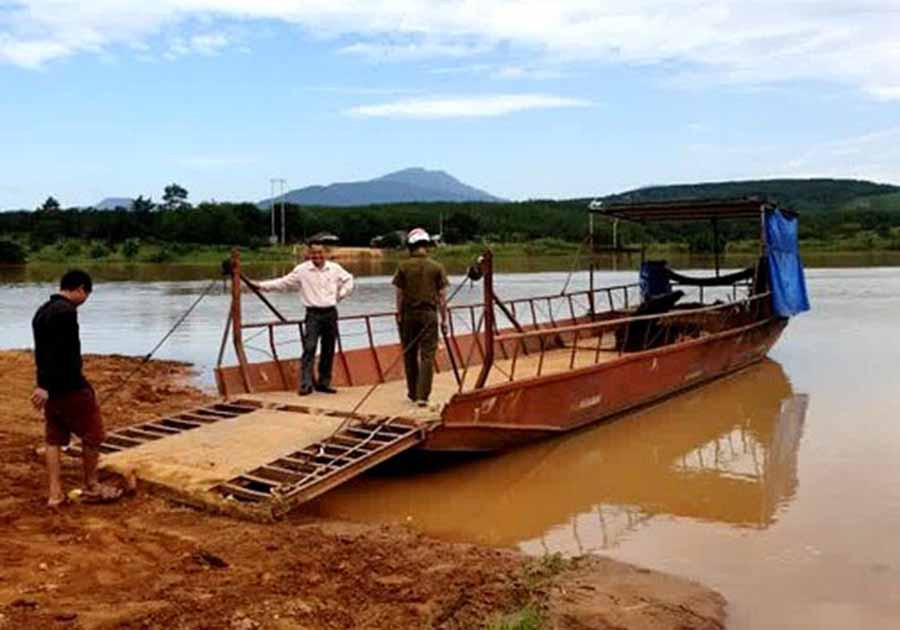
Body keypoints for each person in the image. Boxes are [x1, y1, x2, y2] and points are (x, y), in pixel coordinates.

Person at [31, 269, 122, 507]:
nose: (85, 300)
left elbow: (41, 353)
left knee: (53, 439)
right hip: (70, 386)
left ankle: (55, 493)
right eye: (86, 294)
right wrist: (55, 384)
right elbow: (62, 353)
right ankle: (91, 485)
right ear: (80, 288)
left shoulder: (41, 311)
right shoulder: (66, 312)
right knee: (94, 434)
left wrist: (42, 385)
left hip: (50, 389)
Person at [254, 242, 354, 395]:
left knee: (328, 348)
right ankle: (306, 384)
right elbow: (283, 283)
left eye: (320, 253)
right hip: (313, 314)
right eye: (314, 253)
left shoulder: (334, 268)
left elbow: (349, 279)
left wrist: (341, 294)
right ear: (309, 254)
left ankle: (324, 383)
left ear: (325, 254)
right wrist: (261, 285)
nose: (317, 256)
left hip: (330, 313)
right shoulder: (302, 270)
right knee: (309, 347)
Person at [393, 228, 449, 407]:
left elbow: (399, 294)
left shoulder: (403, 267)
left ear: (411, 246)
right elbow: (442, 297)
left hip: (408, 315)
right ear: (427, 245)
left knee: (409, 353)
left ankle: (412, 392)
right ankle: (423, 396)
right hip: (429, 315)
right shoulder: (437, 267)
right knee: (427, 355)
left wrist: (399, 314)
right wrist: (444, 320)